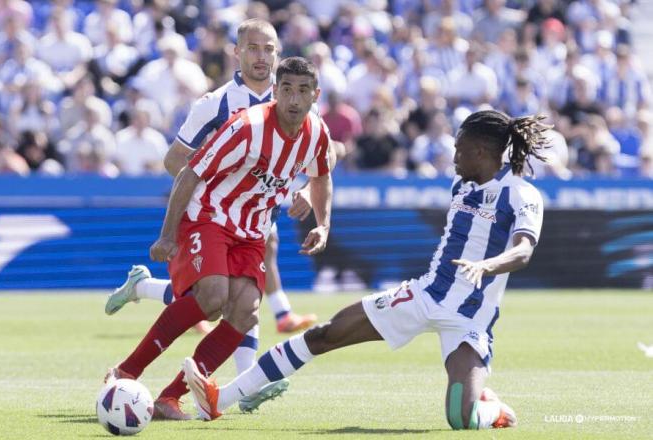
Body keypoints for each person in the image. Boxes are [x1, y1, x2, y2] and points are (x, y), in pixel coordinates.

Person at [184, 110, 548, 431]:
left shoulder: (521, 195)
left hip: (470, 319)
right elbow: (330, 157)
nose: (452, 156)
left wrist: (487, 265)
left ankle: (494, 408)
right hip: (426, 295)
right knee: (326, 334)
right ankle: (221, 398)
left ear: (481, 152)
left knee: (461, 418)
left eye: (459, 149)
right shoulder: (461, 183)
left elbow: (523, 250)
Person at [105, 56, 333, 422]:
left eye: (303, 91)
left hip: (252, 231)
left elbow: (322, 175)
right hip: (209, 215)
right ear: (274, 92)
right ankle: (126, 371)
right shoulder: (247, 127)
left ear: (315, 95)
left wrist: (323, 223)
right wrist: (167, 236)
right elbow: (189, 174)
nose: (294, 99)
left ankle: (169, 398)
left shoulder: (317, 134)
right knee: (212, 298)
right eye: (287, 89)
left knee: (244, 312)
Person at [106, 18, 319, 337]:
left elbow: (319, 152)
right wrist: (218, 191)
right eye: (252, 49)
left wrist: (309, 186)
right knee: (223, 298)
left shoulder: (292, 99)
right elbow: (174, 159)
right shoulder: (216, 103)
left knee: (236, 296)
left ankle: (146, 288)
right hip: (219, 215)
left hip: (259, 212)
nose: (261, 57)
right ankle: (260, 350)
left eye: (268, 50)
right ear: (236, 52)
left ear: (278, 54)